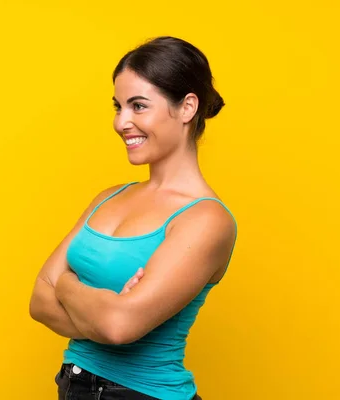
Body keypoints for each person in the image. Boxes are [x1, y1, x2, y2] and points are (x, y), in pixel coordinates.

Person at [29, 36, 238, 400]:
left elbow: (118, 326)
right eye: (118, 106)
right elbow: (38, 302)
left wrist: (65, 286)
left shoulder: (206, 219)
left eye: (138, 106)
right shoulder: (109, 196)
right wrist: (106, 309)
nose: (121, 121)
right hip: (74, 386)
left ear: (188, 107)